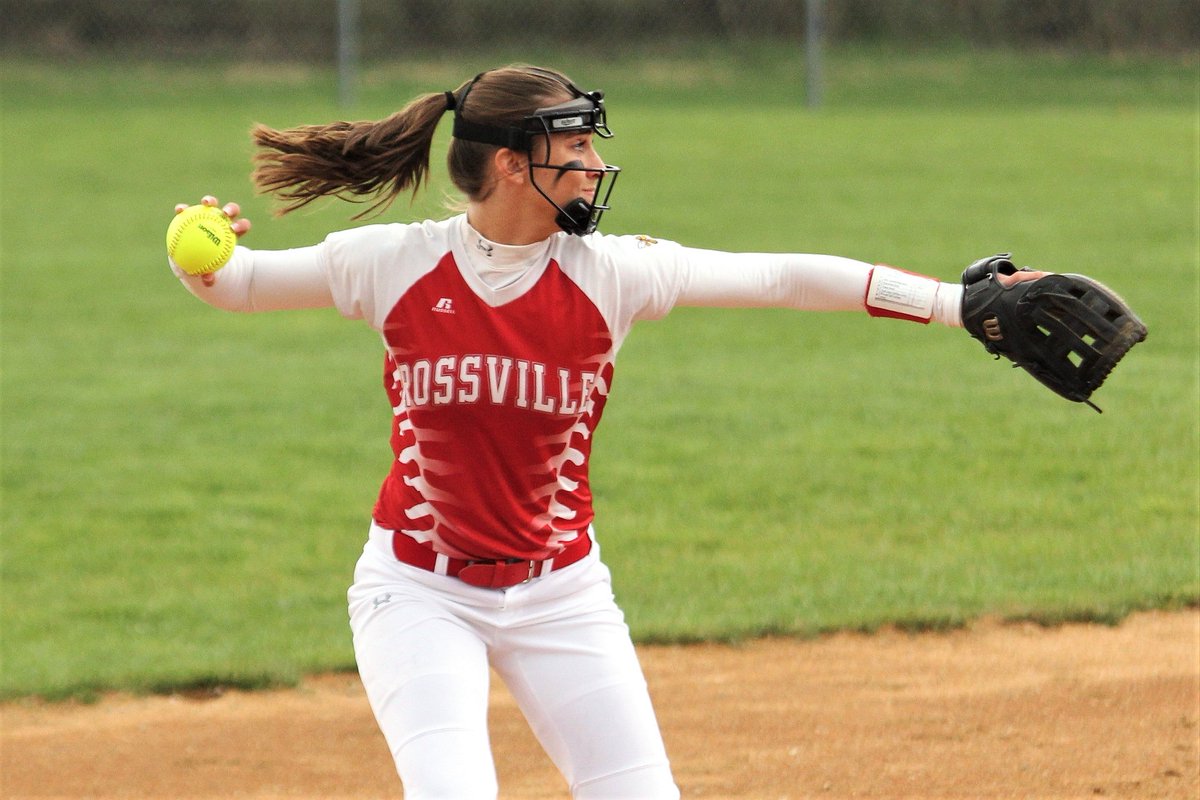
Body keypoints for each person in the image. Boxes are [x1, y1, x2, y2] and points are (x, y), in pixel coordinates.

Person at [169, 64, 1042, 799]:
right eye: (575, 147)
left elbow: (780, 276)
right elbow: (239, 283)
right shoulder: (396, 264)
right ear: (513, 165)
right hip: (418, 593)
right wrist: (197, 254)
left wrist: (958, 305)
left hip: (562, 592)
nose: (594, 165)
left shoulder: (612, 275)